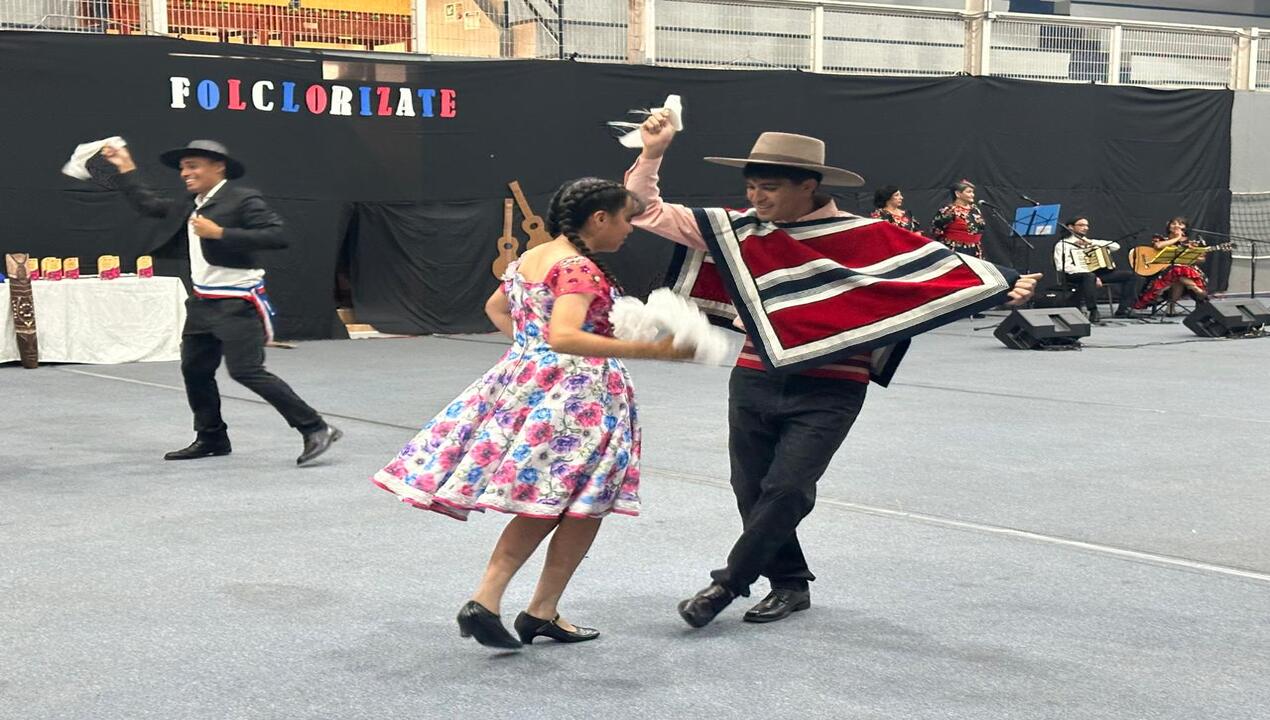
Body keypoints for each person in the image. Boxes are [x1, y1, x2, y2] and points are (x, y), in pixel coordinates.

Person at [626, 115, 1039, 629]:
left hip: (833, 384)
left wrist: (1002, 286)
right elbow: (645, 210)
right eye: (751, 186)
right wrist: (652, 152)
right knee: (749, 488)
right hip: (755, 374)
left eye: (769, 187)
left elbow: (937, 274)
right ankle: (790, 583)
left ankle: (727, 584)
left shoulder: (870, 237)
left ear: (808, 186)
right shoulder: (739, 230)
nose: (756, 197)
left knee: (788, 489)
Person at [371, 177, 694, 650]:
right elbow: (565, 335)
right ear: (599, 218)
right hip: (582, 397)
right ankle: (526, 606)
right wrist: (653, 350)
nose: (630, 229)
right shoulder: (578, 268)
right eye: (625, 219)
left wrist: (531, 349)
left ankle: (504, 602)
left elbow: (497, 307)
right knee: (582, 502)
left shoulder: (531, 258)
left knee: (556, 500)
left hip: (533, 385)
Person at [102, 140, 341, 465]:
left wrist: (221, 234)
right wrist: (125, 166)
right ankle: (211, 437)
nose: (185, 173)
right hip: (202, 303)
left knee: (246, 371)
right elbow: (148, 204)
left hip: (237, 303)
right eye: (183, 167)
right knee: (195, 370)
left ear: (218, 167)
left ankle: (316, 427)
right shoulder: (191, 204)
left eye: (193, 166)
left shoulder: (242, 198)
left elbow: (278, 235)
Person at [1053, 216, 1143, 321]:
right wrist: (1091, 275)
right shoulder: (1063, 245)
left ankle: (1124, 309)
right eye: (1081, 225)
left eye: (1087, 225)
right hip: (1075, 275)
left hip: (1097, 274)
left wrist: (1091, 243)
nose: (1085, 228)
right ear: (1070, 227)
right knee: (1089, 276)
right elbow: (1062, 266)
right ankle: (1093, 310)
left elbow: (1115, 246)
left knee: (1131, 275)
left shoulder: (1090, 241)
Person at [1132, 216, 1209, 315]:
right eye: (1174, 223)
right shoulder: (1160, 238)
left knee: (1179, 272)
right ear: (1169, 226)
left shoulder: (1191, 243)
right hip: (1163, 271)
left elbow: (1202, 260)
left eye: (1180, 224)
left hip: (1187, 272)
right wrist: (1177, 238)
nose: (1177, 226)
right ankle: (1194, 289)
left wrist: (1190, 257)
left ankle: (1171, 306)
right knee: (1177, 271)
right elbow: (1158, 246)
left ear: (1185, 228)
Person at [930, 179, 986, 259]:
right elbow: (936, 229)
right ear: (958, 194)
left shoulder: (975, 209)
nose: (972, 195)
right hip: (956, 250)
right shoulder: (949, 210)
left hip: (974, 249)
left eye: (973, 192)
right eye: (969, 192)